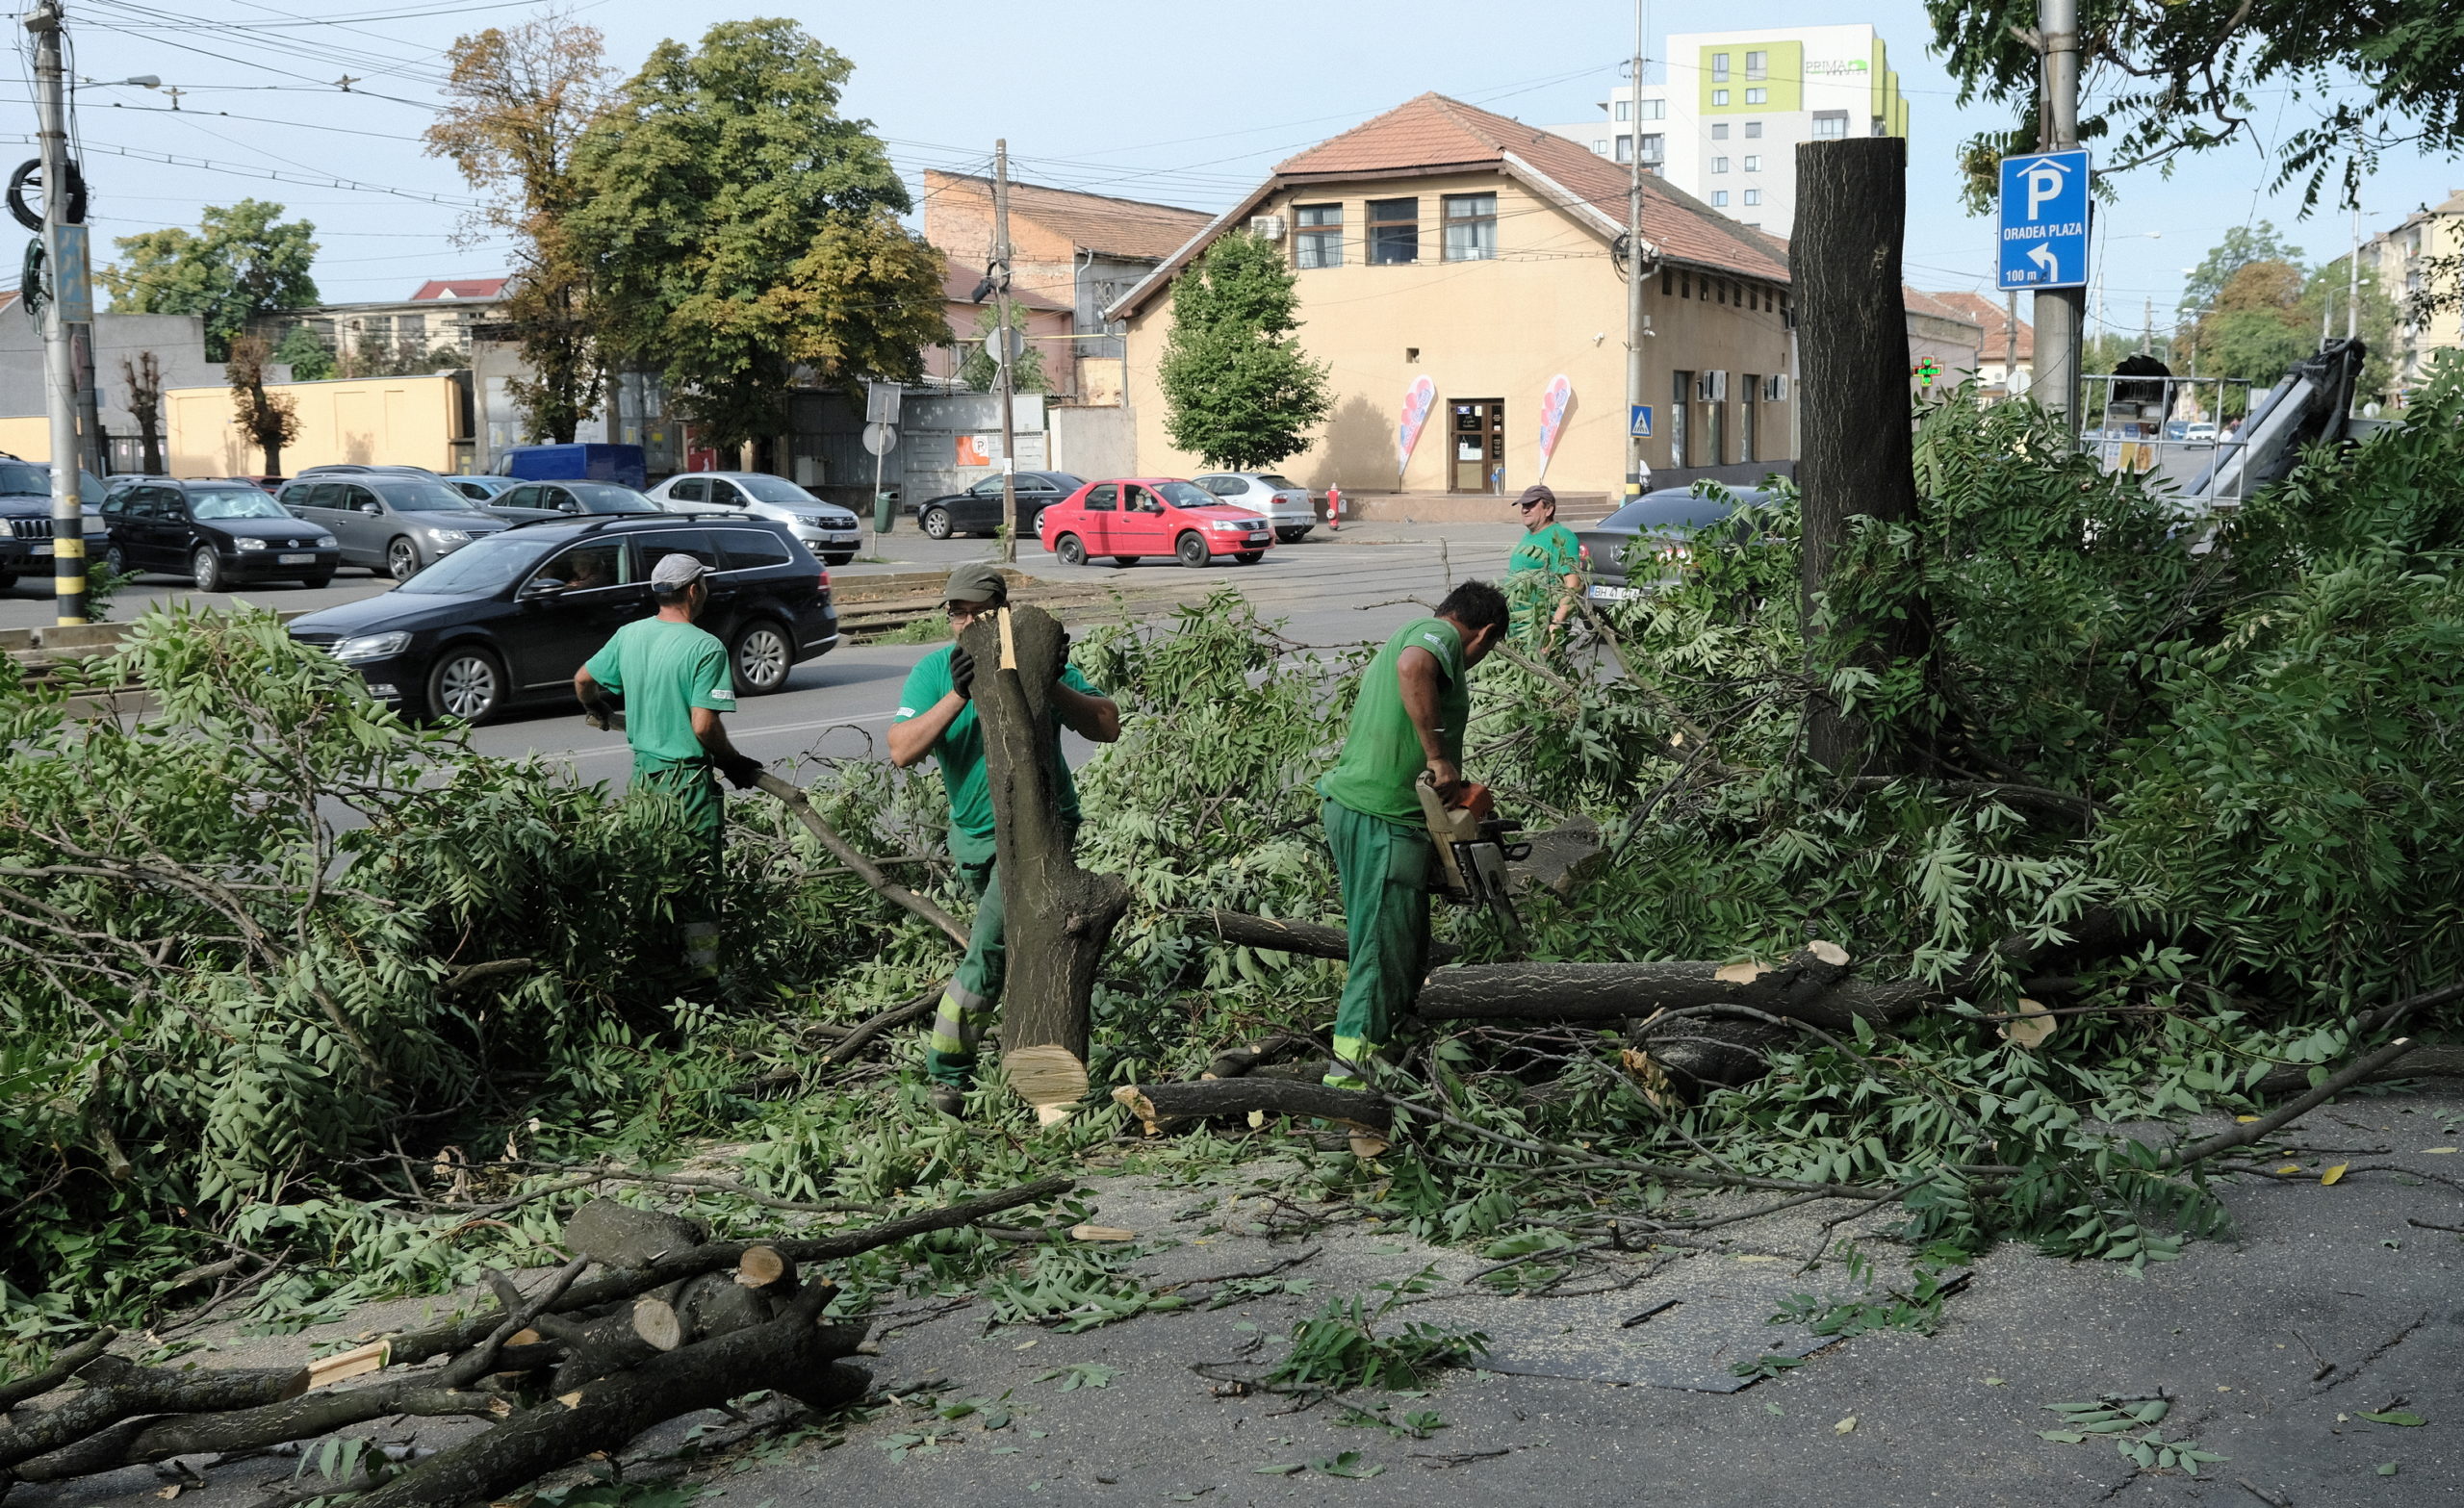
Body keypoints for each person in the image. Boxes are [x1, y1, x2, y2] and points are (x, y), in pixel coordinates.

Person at [888, 563, 1120, 1117]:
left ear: (1003, 613)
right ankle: (1024, 1055)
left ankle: (949, 1078)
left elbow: (1107, 724)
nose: (966, 623)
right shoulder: (933, 671)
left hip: (1042, 830)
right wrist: (957, 695)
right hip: (973, 839)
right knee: (1016, 950)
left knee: (988, 954)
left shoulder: (1034, 656)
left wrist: (1052, 682)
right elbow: (901, 750)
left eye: (978, 612)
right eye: (957, 613)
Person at [1315, 579, 1509, 1089]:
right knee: (1382, 951)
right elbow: (1414, 669)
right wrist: (1438, 756)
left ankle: (1394, 1058)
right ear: (1485, 633)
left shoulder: (1415, 631)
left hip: (1379, 814)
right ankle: (1352, 1083)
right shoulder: (1436, 634)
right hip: (1382, 818)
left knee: (1400, 948)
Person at [574, 551, 763, 979]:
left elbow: (583, 681)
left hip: (644, 784)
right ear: (694, 590)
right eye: (705, 585)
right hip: (687, 788)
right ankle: (702, 978)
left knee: (652, 877)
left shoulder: (630, 635)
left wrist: (598, 708)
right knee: (697, 885)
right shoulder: (705, 647)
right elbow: (702, 727)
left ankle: (651, 971)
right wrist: (732, 762)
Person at [1503, 484, 1584, 641]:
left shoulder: (1561, 536)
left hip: (1539, 629)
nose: (1525, 510)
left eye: (1531, 505)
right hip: (1516, 628)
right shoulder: (1529, 535)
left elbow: (1573, 586)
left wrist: (1555, 625)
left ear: (1549, 509)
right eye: (1523, 506)